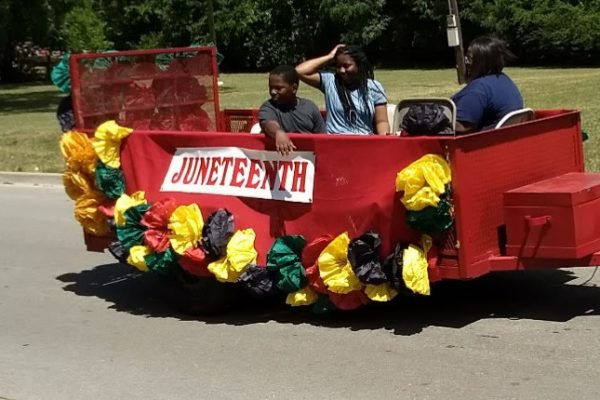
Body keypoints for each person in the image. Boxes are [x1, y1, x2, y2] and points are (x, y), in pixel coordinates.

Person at [295, 44, 389, 135]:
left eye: (346, 66)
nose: (341, 70)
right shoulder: (330, 82)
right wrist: (330, 56)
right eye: (338, 66)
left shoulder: (373, 87)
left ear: (359, 65)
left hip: (364, 141)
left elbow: (382, 121)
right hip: (335, 140)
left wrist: (384, 137)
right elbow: (299, 71)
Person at [452, 36, 524, 133]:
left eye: (469, 58)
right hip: (504, 140)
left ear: (482, 62)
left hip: (479, 144)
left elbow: (463, 126)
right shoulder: (504, 80)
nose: (466, 63)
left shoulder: (479, 89)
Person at [259, 65, 325, 155]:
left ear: (294, 88)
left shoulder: (310, 107)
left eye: (278, 88)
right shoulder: (268, 107)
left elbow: (322, 138)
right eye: (271, 87)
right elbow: (268, 123)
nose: (273, 92)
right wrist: (278, 133)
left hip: (309, 160)